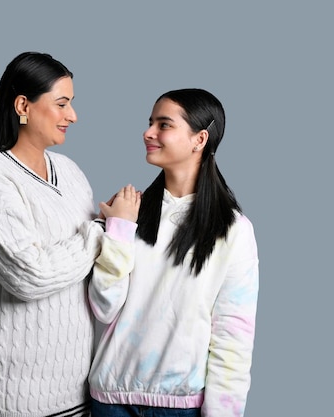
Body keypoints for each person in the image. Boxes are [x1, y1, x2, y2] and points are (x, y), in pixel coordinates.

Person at [88, 88, 259, 417]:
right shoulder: (128, 211)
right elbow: (102, 307)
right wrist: (119, 230)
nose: (148, 132)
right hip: (109, 401)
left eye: (163, 124)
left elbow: (233, 336)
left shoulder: (233, 230)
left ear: (200, 139)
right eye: (150, 122)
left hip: (181, 407)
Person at [0, 52, 108, 417]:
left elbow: (92, 268)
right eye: (61, 104)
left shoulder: (70, 172)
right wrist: (102, 231)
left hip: (80, 392)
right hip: (16, 400)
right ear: (23, 105)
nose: (73, 116)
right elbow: (29, 275)